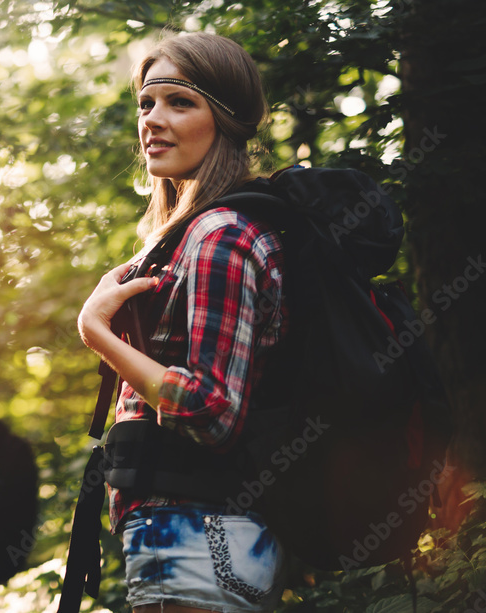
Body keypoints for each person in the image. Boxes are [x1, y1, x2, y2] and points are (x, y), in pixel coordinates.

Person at [76, 33, 287, 612]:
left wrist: (97, 334)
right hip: (196, 536)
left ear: (224, 118)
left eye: (179, 102)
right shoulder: (190, 237)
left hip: (197, 535)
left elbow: (212, 411)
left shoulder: (220, 238)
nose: (153, 120)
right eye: (146, 103)